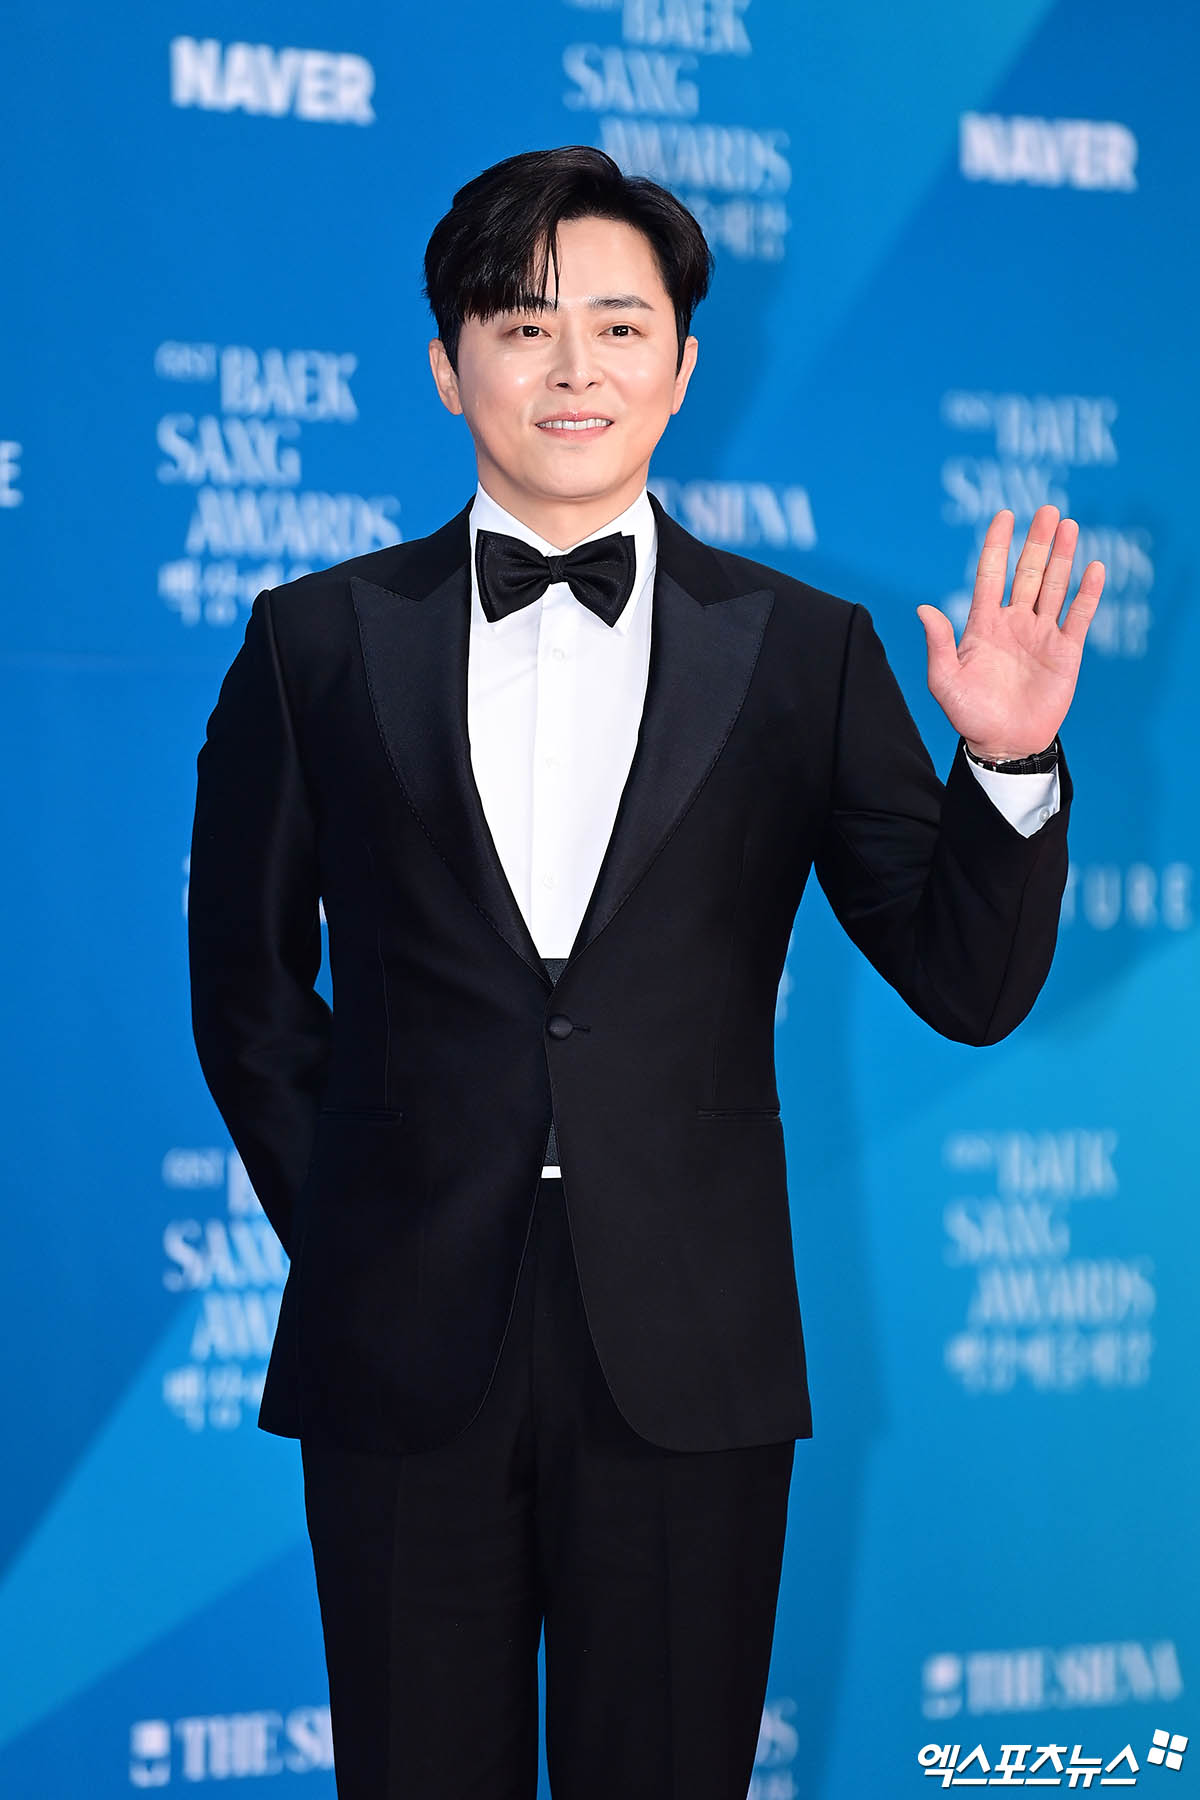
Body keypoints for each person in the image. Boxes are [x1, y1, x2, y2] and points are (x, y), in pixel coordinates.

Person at [187, 145, 1103, 1800]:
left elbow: (968, 984)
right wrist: (364, 1224)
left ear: (681, 369)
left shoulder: (803, 650)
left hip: (693, 1340)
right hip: (402, 1341)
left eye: (619, 327)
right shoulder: (314, 640)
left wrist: (1010, 767)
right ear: (447, 363)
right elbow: (247, 991)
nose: (574, 367)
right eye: (522, 324)